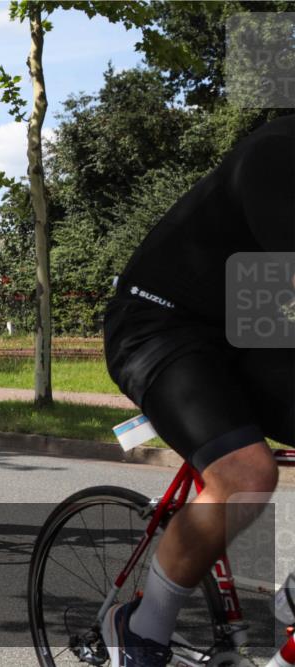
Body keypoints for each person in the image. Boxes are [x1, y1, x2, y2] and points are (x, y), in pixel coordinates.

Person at [102, 114, 294, 666]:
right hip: (159, 325)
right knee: (246, 475)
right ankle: (141, 627)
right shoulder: (278, 154)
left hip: (248, 332)